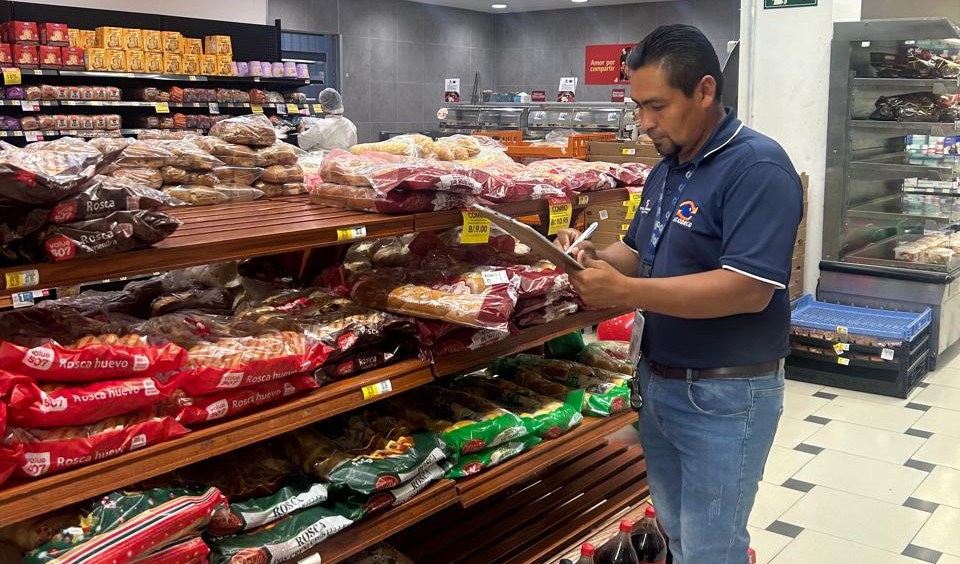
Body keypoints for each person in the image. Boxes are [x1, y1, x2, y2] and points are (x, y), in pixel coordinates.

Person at [556, 24, 803, 564]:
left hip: (724, 395)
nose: (645, 122)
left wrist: (626, 291)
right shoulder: (667, 169)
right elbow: (635, 250)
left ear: (705, 90)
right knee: (676, 537)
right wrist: (590, 258)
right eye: (638, 107)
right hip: (659, 384)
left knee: (712, 550)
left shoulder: (758, 167)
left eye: (657, 106)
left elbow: (747, 290)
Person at [298, 88, 357, 153]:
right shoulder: (350, 124)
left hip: (322, 159)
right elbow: (353, 148)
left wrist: (302, 128)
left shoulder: (320, 126)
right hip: (344, 159)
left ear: (323, 107)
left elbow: (303, 143)